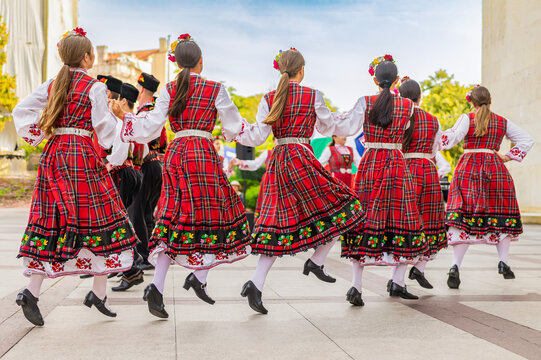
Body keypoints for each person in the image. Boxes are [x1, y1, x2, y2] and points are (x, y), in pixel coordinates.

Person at [111, 33, 251, 318]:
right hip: (202, 153)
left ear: (176, 62)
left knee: (174, 218)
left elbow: (150, 127)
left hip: (177, 155)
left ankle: (161, 287)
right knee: (213, 216)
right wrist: (240, 131)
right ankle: (198, 277)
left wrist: (126, 119)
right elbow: (234, 126)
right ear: (200, 61)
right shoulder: (215, 88)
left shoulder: (171, 89)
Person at [12, 28, 137, 326]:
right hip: (81, 155)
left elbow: (21, 110)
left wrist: (43, 133)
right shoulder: (93, 86)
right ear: (86, 56)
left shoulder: (53, 83)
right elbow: (104, 128)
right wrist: (114, 140)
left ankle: (36, 291)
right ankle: (97, 292)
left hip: (55, 154)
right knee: (103, 218)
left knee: (52, 219)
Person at [234, 48, 364, 314]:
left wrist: (235, 132)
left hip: (279, 160)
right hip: (302, 159)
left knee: (274, 224)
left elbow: (258, 135)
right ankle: (316, 261)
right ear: (302, 70)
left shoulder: (269, 97)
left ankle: (256, 283)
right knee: (347, 209)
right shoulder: (312, 95)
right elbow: (327, 127)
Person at [338, 55, 426, 305]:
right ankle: (397, 281)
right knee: (402, 218)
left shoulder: (364, 102)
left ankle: (356, 287)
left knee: (365, 219)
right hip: (396, 162)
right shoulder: (408, 106)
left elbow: (347, 128)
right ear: (398, 80)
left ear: (374, 79)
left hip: (371, 162)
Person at [440, 85, 534, 288]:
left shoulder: (467, 118)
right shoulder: (502, 121)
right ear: (490, 102)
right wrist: (508, 156)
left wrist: (436, 137)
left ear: (471, 102)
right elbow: (527, 139)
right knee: (501, 216)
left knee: (462, 218)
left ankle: (455, 266)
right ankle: (503, 262)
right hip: (495, 170)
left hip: (468, 169)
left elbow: (451, 139)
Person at [398, 78, 447, 289]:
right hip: (426, 170)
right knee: (431, 221)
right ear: (421, 97)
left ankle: (396, 280)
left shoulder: (398, 117)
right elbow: (436, 150)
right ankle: (419, 267)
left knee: (403, 223)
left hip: (403, 168)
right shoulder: (433, 120)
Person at [128, 72, 167, 272]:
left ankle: (143, 255)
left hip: (145, 163)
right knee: (147, 213)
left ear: (141, 89)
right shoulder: (155, 110)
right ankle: (150, 253)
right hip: (156, 164)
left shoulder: (144, 113)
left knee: (137, 212)